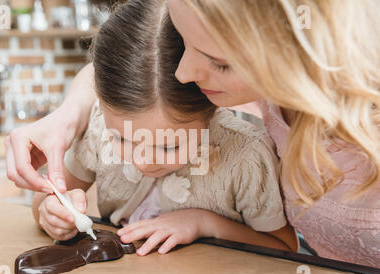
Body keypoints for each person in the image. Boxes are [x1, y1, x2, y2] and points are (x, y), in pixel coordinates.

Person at [6, 0, 379, 267]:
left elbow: (282, 247)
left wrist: (203, 223)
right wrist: (70, 115)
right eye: (185, 42)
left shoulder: (244, 149)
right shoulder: (120, 116)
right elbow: (129, 68)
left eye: (218, 62)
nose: (184, 73)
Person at [31, 0, 298, 256]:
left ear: (211, 109)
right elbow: (42, 203)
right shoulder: (98, 127)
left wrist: (205, 224)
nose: (143, 161)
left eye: (170, 145)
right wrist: (53, 213)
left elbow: (285, 247)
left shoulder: (246, 154)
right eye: (123, 139)